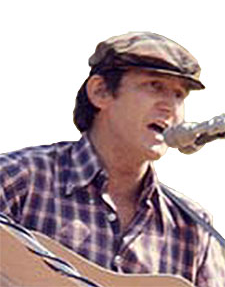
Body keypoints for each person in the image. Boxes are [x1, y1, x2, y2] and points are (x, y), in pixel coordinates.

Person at [0, 32, 224, 286]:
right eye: (154, 86)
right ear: (100, 92)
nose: (170, 107)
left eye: (179, 95)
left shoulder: (193, 227)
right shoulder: (20, 179)